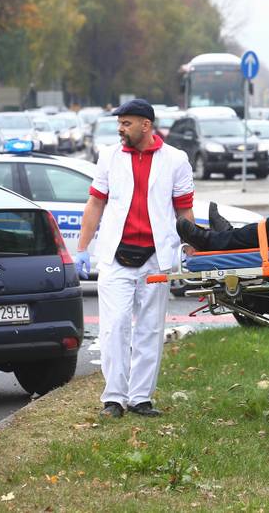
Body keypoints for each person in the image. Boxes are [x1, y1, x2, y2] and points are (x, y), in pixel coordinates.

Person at [75, 98, 195, 419]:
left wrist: (194, 250)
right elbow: (95, 204)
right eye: (119, 123)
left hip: (156, 257)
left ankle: (141, 398)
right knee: (114, 328)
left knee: (150, 329)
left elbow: (184, 210)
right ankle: (113, 398)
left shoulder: (176, 160)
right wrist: (82, 249)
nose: (120, 129)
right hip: (116, 256)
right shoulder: (109, 157)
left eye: (126, 123)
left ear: (146, 125)